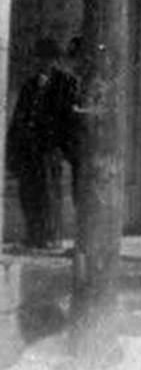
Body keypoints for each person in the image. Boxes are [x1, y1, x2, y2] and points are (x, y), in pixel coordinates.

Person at [7, 37, 79, 250]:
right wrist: (14, 148)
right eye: (39, 59)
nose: (43, 64)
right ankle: (33, 235)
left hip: (50, 149)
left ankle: (51, 236)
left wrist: (62, 147)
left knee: (49, 193)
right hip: (29, 149)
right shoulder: (29, 85)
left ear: (56, 61)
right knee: (29, 193)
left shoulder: (67, 84)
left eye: (48, 59)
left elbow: (68, 120)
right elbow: (18, 118)